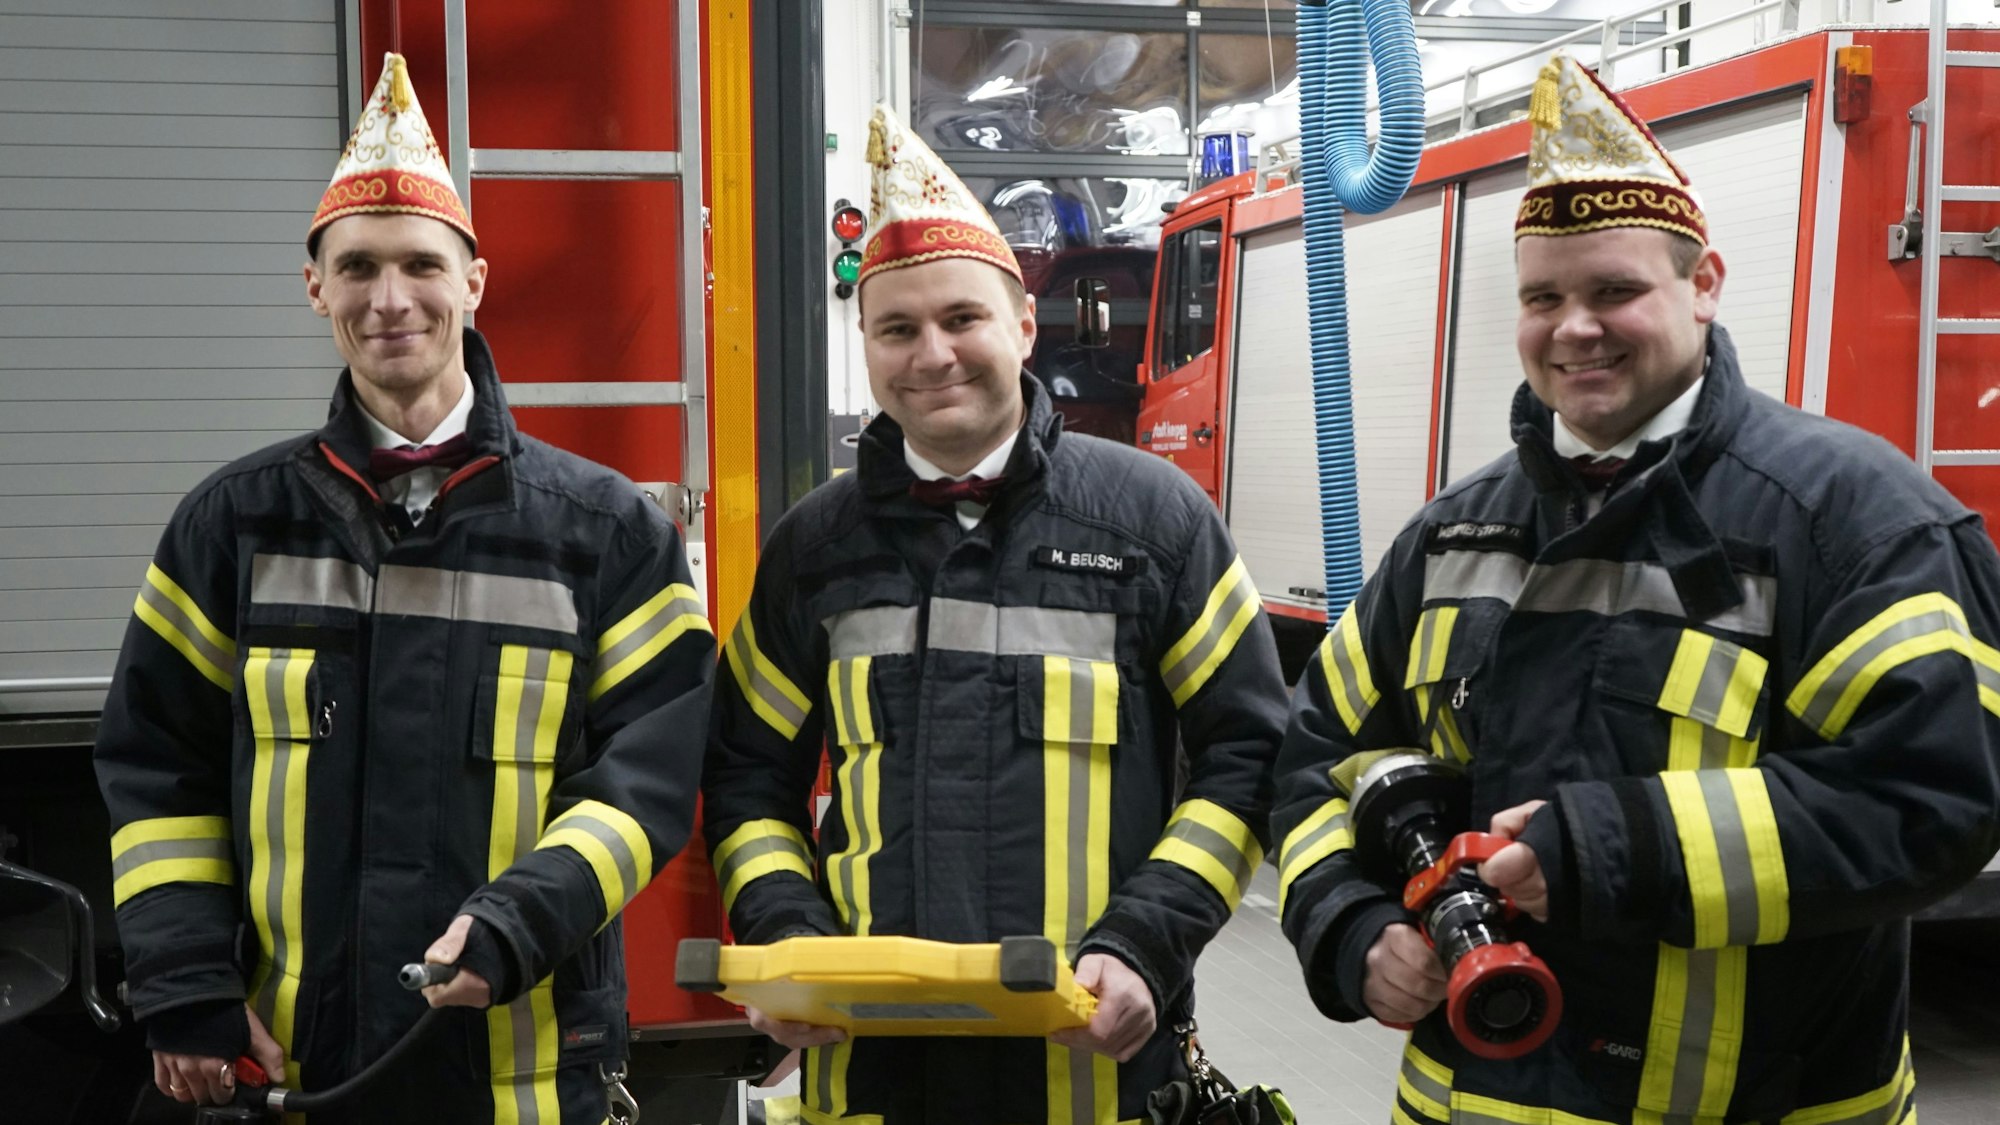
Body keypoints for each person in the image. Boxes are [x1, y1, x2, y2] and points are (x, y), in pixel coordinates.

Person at [1273, 55, 2000, 1125]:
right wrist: (1350, 924)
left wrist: (1608, 846)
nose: (1574, 329)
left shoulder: (1852, 521)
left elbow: (1931, 798)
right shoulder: (1451, 532)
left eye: (1614, 291)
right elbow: (1314, 761)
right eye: (1541, 298)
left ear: (1701, 284)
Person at [93, 54, 713, 1122]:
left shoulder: (608, 532)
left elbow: (651, 780)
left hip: (520, 1068)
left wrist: (525, 918)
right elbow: (159, 769)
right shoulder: (232, 523)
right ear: (314, 287)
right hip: (296, 1060)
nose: (391, 299)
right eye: (358, 267)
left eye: (422, 264)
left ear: (473, 280)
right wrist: (185, 979)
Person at [700, 105, 1288, 1125]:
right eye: (897, 327)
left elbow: (1247, 755)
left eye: (960, 319)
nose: (931, 354)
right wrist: (786, 933)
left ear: (1021, 324)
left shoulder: (1155, 523)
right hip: (876, 1078)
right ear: (866, 344)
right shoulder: (813, 550)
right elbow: (747, 773)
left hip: (1093, 1074)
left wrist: (1143, 943)